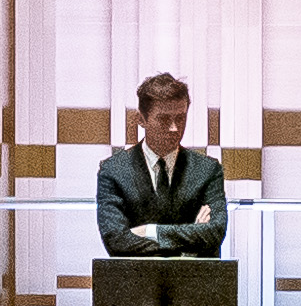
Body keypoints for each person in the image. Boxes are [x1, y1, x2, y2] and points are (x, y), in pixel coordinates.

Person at [96, 70, 228, 261]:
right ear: (141, 119)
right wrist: (188, 250)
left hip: (195, 286)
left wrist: (150, 231)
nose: (174, 128)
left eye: (180, 118)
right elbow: (116, 240)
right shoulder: (114, 171)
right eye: (164, 119)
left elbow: (214, 233)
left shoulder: (208, 170)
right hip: (136, 285)